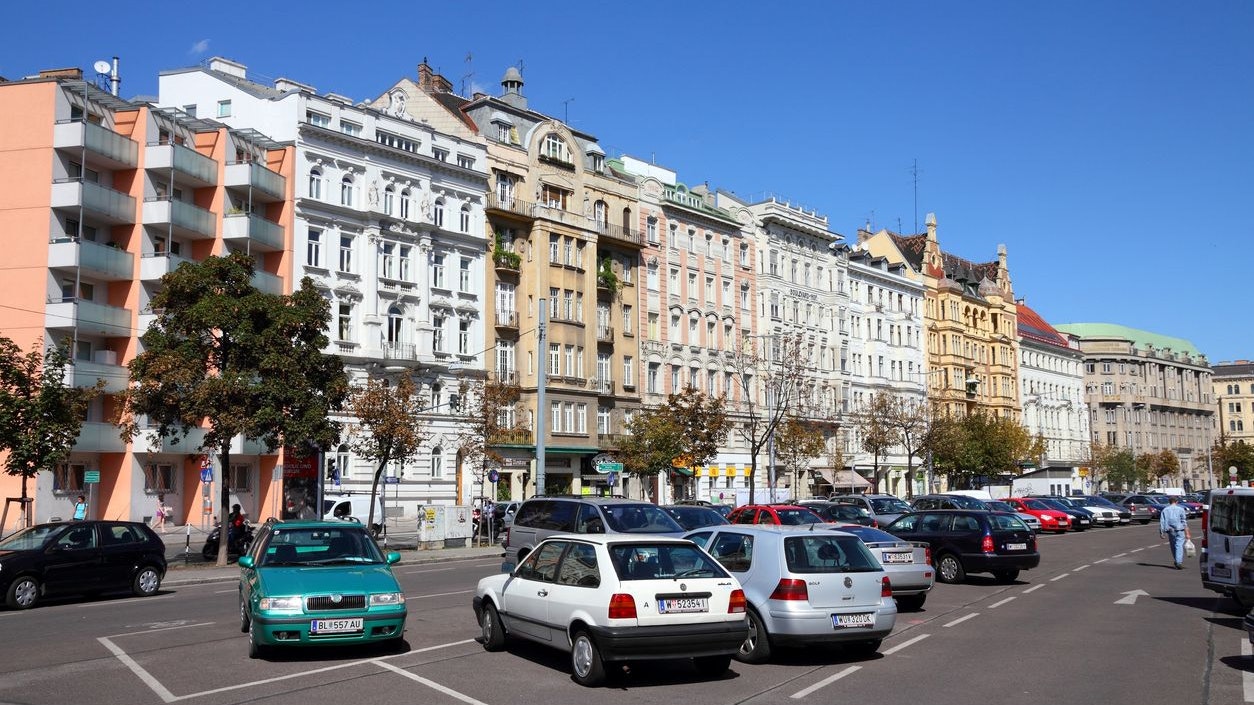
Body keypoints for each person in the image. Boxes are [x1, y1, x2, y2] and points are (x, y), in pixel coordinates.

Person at [1159, 494, 1190, 569]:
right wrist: (1187, 533)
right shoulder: (1181, 509)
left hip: (1170, 530)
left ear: (1169, 502)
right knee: (1179, 545)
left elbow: (1162, 522)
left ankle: (1177, 561)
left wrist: (1161, 532)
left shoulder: (1165, 510)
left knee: (1173, 546)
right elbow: (1184, 521)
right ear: (1176, 502)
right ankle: (1178, 562)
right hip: (1180, 529)